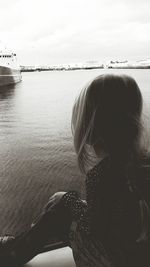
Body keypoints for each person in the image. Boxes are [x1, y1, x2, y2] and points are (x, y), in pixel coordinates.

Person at [0, 74, 150, 267]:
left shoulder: (103, 175)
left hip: (114, 260)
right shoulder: (141, 164)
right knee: (64, 202)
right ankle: (17, 246)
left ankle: (12, 254)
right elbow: (119, 216)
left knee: (62, 207)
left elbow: (95, 228)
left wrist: (69, 201)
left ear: (93, 129)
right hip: (138, 254)